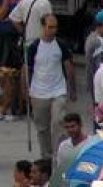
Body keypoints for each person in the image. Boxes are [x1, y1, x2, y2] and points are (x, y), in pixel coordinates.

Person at [26, 13, 76, 159]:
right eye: (50, 27)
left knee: (59, 121)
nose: (53, 30)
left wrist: (72, 89)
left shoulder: (61, 45)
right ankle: (46, 156)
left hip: (58, 90)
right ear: (43, 27)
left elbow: (68, 67)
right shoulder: (34, 47)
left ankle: (59, 154)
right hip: (38, 92)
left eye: (55, 27)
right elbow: (26, 69)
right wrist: (25, 90)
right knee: (42, 127)